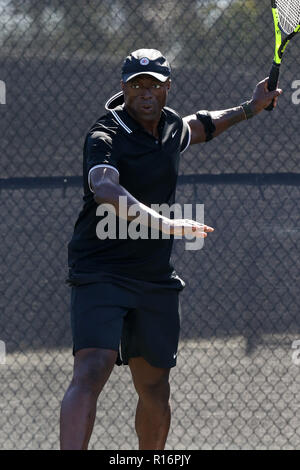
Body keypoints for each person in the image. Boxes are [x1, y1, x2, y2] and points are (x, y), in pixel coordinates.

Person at [60, 49, 282, 450]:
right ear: (124, 89)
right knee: (93, 368)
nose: (146, 92)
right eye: (137, 84)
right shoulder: (105, 134)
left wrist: (251, 107)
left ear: (167, 89)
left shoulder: (170, 128)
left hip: (152, 279)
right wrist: (168, 223)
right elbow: (105, 189)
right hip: (100, 272)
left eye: (154, 84)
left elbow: (202, 125)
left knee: (155, 389)